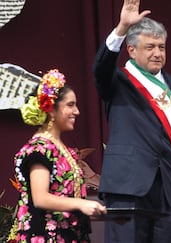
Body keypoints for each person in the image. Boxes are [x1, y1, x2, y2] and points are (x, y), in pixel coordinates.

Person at [93, 0, 171, 243]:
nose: (157, 53)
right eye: (150, 46)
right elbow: (100, 67)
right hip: (128, 188)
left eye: (161, 47)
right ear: (130, 50)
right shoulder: (118, 82)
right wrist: (121, 27)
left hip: (169, 190)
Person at [14, 69, 107, 242]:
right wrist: (81, 204)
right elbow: (41, 198)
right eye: (70, 105)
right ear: (51, 110)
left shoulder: (62, 150)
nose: (77, 112)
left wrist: (96, 211)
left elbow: (66, 199)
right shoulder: (39, 149)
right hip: (46, 236)